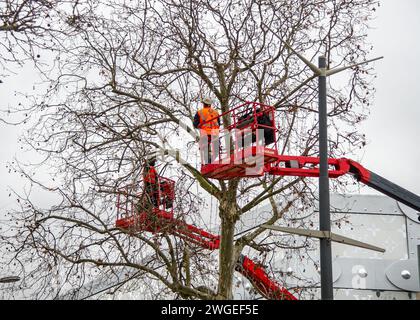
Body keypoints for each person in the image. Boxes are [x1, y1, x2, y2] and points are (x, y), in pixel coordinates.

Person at [193, 97, 220, 164]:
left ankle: (208, 162)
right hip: (215, 133)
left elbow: (195, 124)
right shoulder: (216, 112)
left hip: (205, 134)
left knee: (205, 149)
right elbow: (219, 123)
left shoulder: (199, 112)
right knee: (216, 149)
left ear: (203, 104)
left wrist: (199, 125)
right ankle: (212, 160)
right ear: (210, 105)